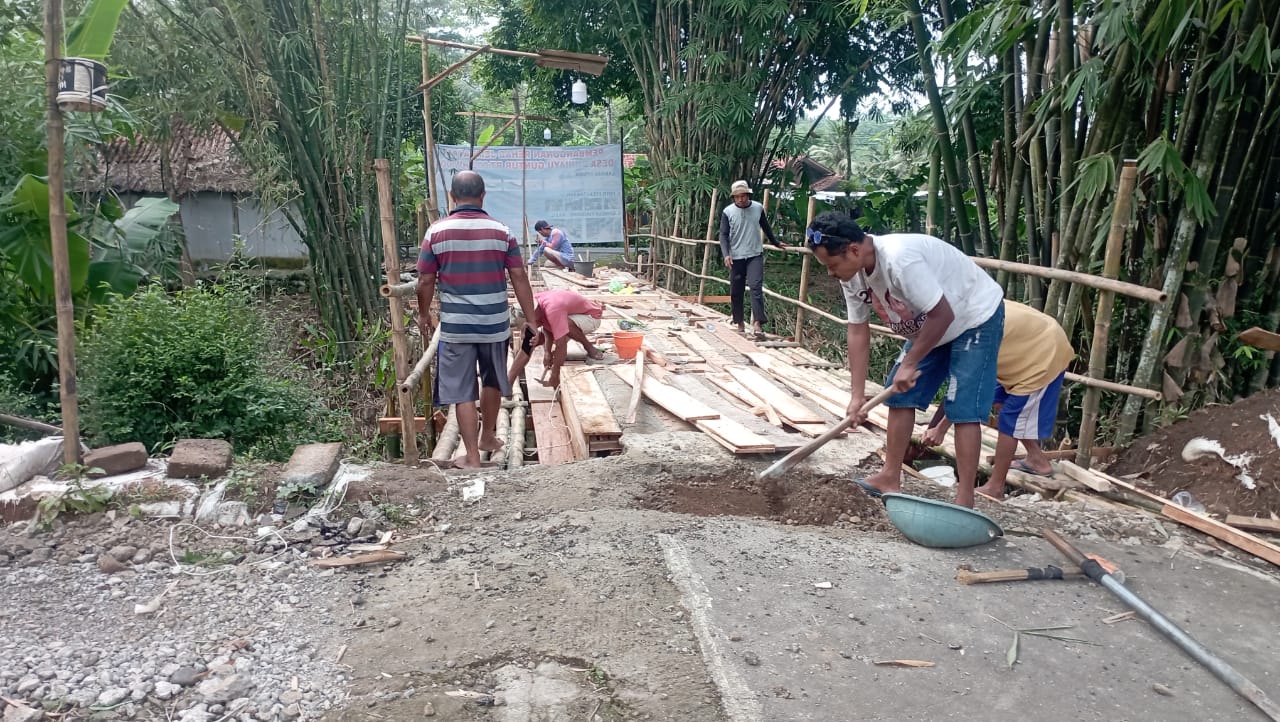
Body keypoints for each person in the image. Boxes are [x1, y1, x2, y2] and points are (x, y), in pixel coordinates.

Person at [805, 210, 1004, 509]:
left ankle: (965, 498)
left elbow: (943, 314)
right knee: (899, 394)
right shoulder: (852, 274)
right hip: (933, 323)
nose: (830, 273)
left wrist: (910, 363)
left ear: (854, 250)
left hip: (973, 317)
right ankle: (890, 476)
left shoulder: (899, 260)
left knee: (963, 407)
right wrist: (857, 396)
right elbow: (858, 330)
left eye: (832, 265)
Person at [417, 170, 539, 470]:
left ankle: (471, 457)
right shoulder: (502, 232)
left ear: (452, 197)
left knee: (462, 391)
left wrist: (423, 313)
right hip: (494, 324)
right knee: (493, 380)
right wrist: (531, 320)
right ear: (483, 196)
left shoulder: (436, 233)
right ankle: (487, 436)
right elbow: (519, 276)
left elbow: (425, 280)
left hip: (456, 327)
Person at [921, 300, 1075, 500]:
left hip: (1043, 351)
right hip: (1020, 348)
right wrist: (934, 428)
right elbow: (959, 387)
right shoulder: (956, 312)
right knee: (999, 400)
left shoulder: (967, 331)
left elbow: (967, 389)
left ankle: (996, 486)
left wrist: (940, 429)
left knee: (1011, 418)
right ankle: (1037, 459)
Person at [718, 180, 785, 340]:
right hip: (736, 256)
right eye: (737, 197)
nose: (741, 199)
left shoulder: (758, 208)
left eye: (743, 196)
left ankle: (757, 323)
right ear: (734, 198)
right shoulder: (728, 212)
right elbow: (723, 235)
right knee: (736, 290)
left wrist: (776, 242)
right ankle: (739, 322)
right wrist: (726, 254)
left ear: (748, 195)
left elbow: (765, 227)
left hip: (754, 254)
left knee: (756, 286)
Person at [506, 289, 607, 390]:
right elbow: (528, 346)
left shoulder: (553, 309)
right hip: (565, 313)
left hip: (591, 317)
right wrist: (547, 351)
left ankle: (589, 348)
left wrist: (555, 375)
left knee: (564, 325)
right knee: (534, 338)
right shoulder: (531, 305)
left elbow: (561, 345)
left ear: (532, 316)